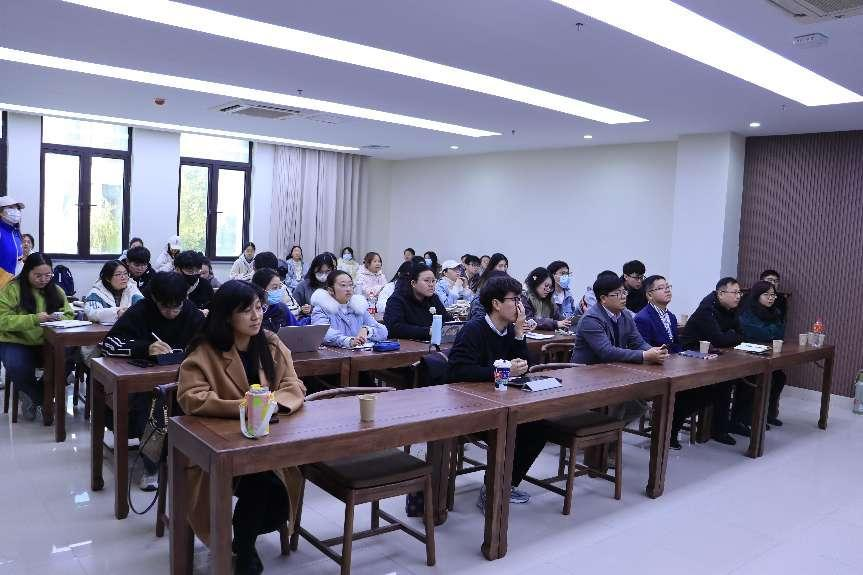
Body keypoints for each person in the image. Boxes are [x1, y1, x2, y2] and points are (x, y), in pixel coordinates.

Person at [177, 280, 305, 574]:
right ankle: (245, 550)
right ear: (226, 316)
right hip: (220, 445)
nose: (256, 316)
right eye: (246, 311)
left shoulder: (270, 343)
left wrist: (273, 405)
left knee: (278, 496)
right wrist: (245, 407)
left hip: (269, 441)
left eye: (259, 308)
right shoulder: (205, 350)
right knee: (261, 482)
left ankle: (241, 541)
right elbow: (191, 397)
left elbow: (293, 384)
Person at [447, 275, 547, 506]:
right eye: (515, 299)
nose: (520, 306)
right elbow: (457, 371)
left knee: (538, 427)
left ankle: (505, 485)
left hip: (498, 401)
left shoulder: (510, 330)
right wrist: (502, 372)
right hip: (468, 405)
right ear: (496, 304)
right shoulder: (473, 330)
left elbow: (522, 367)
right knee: (510, 429)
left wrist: (519, 334)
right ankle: (492, 490)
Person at [100, 271, 205, 489]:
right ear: (155, 299)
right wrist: (145, 348)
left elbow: (208, 344)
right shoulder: (141, 311)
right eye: (165, 307)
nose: (172, 312)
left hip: (185, 379)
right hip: (147, 383)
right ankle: (151, 466)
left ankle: (191, 461)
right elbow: (108, 345)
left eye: (177, 306)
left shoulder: (191, 313)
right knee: (152, 403)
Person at [634, 275, 709, 449]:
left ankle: (671, 429)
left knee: (704, 388)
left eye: (668, 286)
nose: (667, 290)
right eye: (661, 288)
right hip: (654, 369)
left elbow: (676, 345)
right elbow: (644, 348)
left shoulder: (671, 316)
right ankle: (667, 433)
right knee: (686, 394)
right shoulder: (643, 318)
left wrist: (685, 357)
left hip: (672, 367)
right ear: (649, 295)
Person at [0, 253, 74, 420]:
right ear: (27, 272)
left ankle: (31, 394)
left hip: (48, 343)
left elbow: (69, 313)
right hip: (17, 342)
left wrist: (59, 318)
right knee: (15, 364)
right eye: (38, 275)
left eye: (48, 275)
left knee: (72, 356)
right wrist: (34, 319)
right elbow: (2, 320)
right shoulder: (12, 289)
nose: (43, 280)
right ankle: (41, 398)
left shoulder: (56, 290)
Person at [680, 277, 750, 442]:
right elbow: (719, 339)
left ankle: (733, 423)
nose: (738, 296)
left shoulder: (731, 308)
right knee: (722, 385)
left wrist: (728, 337)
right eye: (735, 293)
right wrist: (730, 336)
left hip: (714, 355)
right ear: (721, 293)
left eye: (739, 293)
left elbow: (742, 335)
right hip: (691, 356)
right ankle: (717, 430)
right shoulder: (707, 309)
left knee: (742, 380)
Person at [571, 274, 667, 366]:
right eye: (618, 294)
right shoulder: (590, 319)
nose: (623, 297)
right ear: (603, 298)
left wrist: (655, 351)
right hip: (587, 371)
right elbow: (606, 352)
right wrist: (644, 355)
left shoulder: (625, 315)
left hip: (614, 368)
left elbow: (637, 342)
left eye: (624, 292)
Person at [740, 280, 786, 427]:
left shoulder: (775, 312)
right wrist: (771, 331)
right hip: (747, 355)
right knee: (759, 378)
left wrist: (769, 332)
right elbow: (757, 332)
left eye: (773, 295)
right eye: (766, 295)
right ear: (757, 296)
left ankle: (767, 414)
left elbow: (780, 332)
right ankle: (750, 416)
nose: (771, 298)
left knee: (779, 377)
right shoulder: (748, 310)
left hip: (766, 353)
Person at [311, 270, 389, 348]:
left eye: (351, 285)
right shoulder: (321, 309)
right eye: (343, 285)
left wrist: (367, 330)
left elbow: (383, 331)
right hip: (335, 354)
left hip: (360, 353)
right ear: (331, 290)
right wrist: (349, 341)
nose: (348, 289)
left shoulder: (358, 307)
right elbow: (323, 333)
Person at [383, 261, 453, 340]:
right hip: (406, 345)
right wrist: (428, 331)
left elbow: (447, 319)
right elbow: (394, 328)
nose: (431, 284)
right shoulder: (397, 300)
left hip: (431, 343)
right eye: (426, 281)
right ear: (413, 283)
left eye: (433, 281)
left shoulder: (433, 298)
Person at [251, 268, 301, 332]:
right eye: (274, 288)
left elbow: (297, 331)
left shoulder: (281, 308)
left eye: (279, 287)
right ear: (260, 289)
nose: (278, 291)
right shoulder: (251, 312)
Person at [521, 267, 571, 331]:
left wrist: (566, 321)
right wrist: (555, 323)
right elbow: (528, 320)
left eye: (550, 287)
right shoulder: (524, 298)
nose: (548, 290)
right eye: (546, 285)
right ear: (536, 283)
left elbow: (558, 317)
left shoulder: (550, 301)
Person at [0, 196, 25, 287]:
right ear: (1, 212)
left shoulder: (16, 232)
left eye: (17, 208)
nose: (16, 211)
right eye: (11, 207)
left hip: (14, 284)